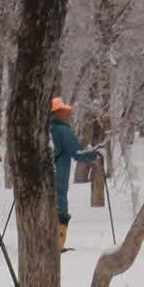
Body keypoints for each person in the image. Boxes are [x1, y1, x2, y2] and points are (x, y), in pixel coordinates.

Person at [47, 96, 103, 251]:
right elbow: (77, 152)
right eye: (65, 111)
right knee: (59, 209)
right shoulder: (62, 130)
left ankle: (47, 242)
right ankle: (57, 244)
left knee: (47, 207)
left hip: (44, 177)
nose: (68, 114)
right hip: (58, 176)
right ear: (57, 112)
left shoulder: (45, 129)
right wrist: (95, 154)